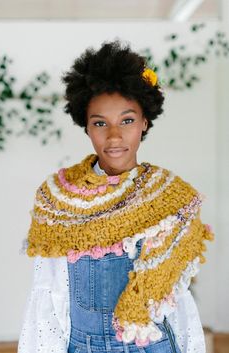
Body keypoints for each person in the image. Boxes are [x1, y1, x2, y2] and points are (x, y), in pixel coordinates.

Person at [17, 39, 214, 353]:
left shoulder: (173, 198)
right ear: (86, 128)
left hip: (152, 345)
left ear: (144, 123)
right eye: (100, 123)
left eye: (127, 120)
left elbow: (178, 302)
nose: (114, 136)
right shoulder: (56, 201)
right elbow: (46, 291)